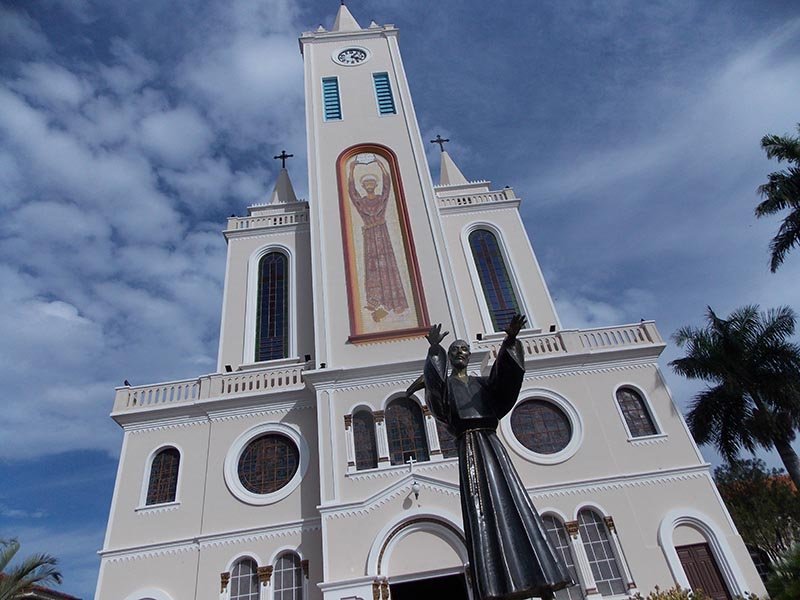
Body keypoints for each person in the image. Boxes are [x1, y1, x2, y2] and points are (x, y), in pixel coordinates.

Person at [419, 314, 572, 600]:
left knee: (514, 507)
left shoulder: (482, 384)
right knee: (482, 515)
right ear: (450, 358)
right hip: (470, 447)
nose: (461, 353)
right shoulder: (448, 386)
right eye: (455, 351)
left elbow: (505, 381)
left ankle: (542, 579)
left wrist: (510, 340)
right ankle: (497, 587)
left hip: (491, 445)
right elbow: (436, 393)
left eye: (464, 349)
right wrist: (434, 352)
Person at [347, 158, 408, 321]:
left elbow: (388, 187)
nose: (369, 186)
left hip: (382, 233)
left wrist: (382, 165)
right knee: (372, 268)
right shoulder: (362, 201)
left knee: (388, 266)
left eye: (371, 183)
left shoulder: (381, 198)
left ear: (375, 185)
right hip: (369, 235)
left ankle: (395, 302)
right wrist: (351, 170)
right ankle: (375, 301)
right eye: (366, 184)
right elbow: (352, 193)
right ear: (363, 187)